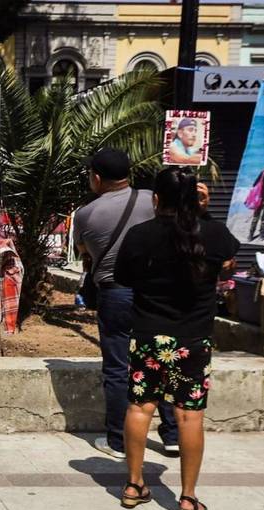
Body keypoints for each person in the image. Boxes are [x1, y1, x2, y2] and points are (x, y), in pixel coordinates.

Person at [115, 166, 239, 510]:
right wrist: (204, 211)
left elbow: (123, 278)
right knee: (189, 415)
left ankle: (133, 486)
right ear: (196, 198)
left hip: (147, 336)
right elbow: (227, 263)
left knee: (140, 409)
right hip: (192, 340)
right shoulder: (213, 232)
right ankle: (187, 500)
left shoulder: (140, 235)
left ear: (156, 199)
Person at [73, 148, 178, 459]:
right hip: (157, 292)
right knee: (163, 359)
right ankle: (172, 434)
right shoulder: (152, 200)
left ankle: (118, 441)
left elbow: (84, 251)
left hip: (115, 292)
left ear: (96, 177)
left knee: (118, 367)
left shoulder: (86, 214)